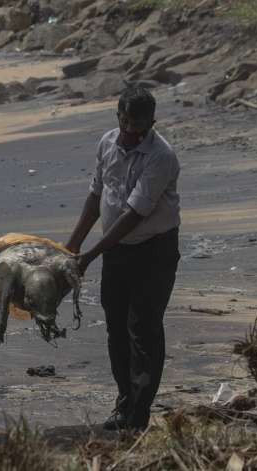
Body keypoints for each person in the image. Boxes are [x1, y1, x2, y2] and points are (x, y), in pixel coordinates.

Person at [66, 87, 181, 431]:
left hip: (153, 250)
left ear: (152, 122)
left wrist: (91, 254)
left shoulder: (161, 156)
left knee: (143, 329)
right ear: (118, 117)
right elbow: (95, 196)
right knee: (116, 328)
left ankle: (138, 415)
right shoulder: (107, 143)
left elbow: (134, 214)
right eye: (126, 122)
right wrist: (72, 245)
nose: (131, 132)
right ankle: (124, 401)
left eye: (139, 125)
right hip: (116, 251)